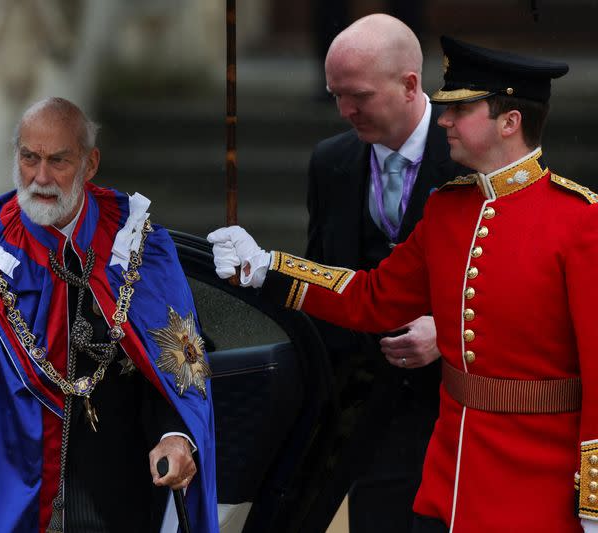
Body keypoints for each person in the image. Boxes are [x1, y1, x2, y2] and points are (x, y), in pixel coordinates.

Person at [210, 37, 598, 532]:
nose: (443, 120)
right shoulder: (448, 209)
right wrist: (267, 267)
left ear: (510, 121)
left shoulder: (581, 222)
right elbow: (372, 298)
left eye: (461, 110)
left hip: (537, 484)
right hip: (449, 475)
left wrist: (592, 501)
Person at [0, 97, 218, 533]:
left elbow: (176, 359)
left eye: (58, 160)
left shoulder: (136, 242)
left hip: (112, 491)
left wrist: (175, 436)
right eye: (29, 158)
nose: (41, 177)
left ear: (90, 165)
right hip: (5, 492)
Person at [306, 14, 467, 532]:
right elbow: (326, 282)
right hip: (368, 413)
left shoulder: (472, 155)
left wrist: (446, 332)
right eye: (335, 94)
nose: (345, 110)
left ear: (410, 85)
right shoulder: (330, 161)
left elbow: (519, 281)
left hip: (459, 411)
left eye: (358, 95)